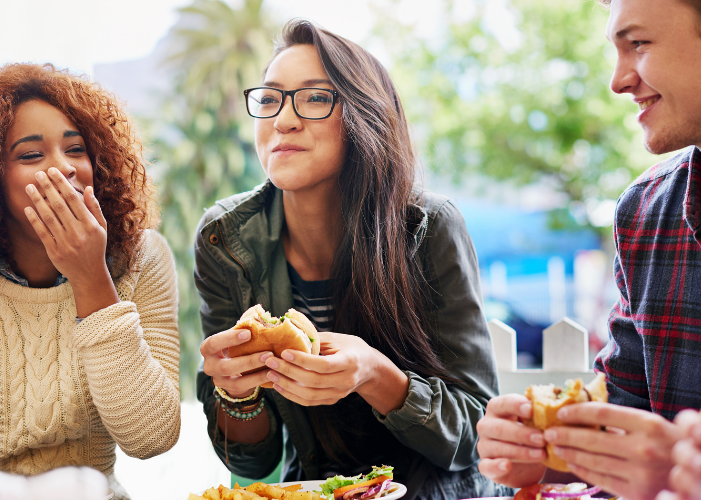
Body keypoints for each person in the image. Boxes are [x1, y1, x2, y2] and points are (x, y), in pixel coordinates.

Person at [194, 19, 510, 500]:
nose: (283, 120)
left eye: (315, 98)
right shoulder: (224, 240)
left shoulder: (429, 226)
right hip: (315, 489)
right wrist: (237, 393)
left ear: (365, 116)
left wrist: (375, 376)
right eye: (270, 98)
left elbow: (474, 434)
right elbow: (253, 463)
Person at [0, 63, 181, 499]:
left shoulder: (142, 260)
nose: (63, 169)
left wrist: (91, 277)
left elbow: (152, 437)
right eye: (32, 155)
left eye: (76, 150)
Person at [475, 0, 701, 499]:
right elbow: (623, 421)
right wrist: (539, 452)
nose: (618, 81)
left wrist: (677, 471)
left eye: (638, 44)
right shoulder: (644, 212)